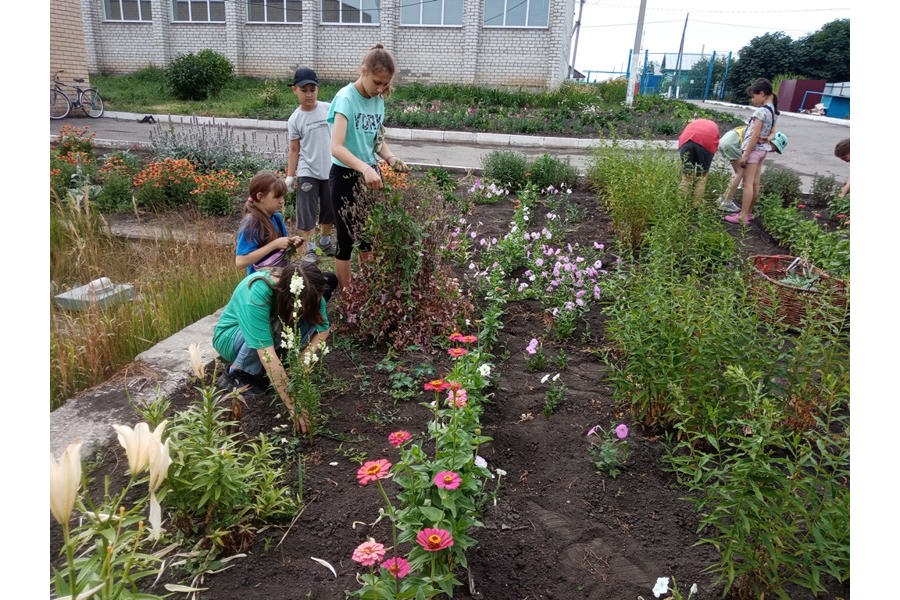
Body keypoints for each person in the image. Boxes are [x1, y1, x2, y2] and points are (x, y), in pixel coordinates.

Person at [327, 43, 410, 293]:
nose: (381, 89)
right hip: (344, 176)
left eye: (385, 84)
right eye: (377, 82)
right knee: (345, 241)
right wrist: (364, 168)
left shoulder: (378, 100)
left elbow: (376, 140)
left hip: (369, 175)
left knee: (368, 237)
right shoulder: (345, 99)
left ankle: (366, 292)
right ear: (363, 71)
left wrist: (390, 158)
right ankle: (348, 297)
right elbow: (336, 147)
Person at [213, 261, 332, 433]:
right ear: (287, 291)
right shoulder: (258, 291)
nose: (308, 305)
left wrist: (303, 360)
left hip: (270, 336)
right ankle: (237, 373)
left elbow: (323, 330)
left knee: (307, 321)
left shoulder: (311, 288)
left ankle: (270, 373)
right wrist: (294, 406)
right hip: (232, 338)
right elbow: (265, 352)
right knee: (269, 333)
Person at [285, 67, 336, 265]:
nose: (308, 94)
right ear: (294, 90)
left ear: (317, 89)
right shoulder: (295, 119)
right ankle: (311, 248)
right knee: (307, 211)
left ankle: (324, 241)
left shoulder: (328, 109)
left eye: (312, 89)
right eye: (304, 90)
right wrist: (290, 176)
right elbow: (294, 149)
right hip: (308, 171)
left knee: (329, 209)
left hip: (330, 169)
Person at [725, 78, 779, 225]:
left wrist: (746, 154)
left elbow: (754, 135)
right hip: (762, 151)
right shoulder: (773, 111)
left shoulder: (761, 112)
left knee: (747, 184)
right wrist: (768, 138)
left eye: (754, 96)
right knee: (755, 183)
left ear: (762, 93)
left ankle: (742, 216)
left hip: (753, 151)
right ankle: (748, 213)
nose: (752, 99)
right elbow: (774, 132)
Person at [235, 171, 304, 274]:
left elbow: (279, 250)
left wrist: (291, 244)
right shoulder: (251, 223)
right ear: (260, 196)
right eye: (277, 197)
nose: (282, 201)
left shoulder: (276, 218)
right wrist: (274, 245)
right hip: (261, 282)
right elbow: (240, 262)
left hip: (278, 275)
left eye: (283, 197)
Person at [716, 128, 788, 212]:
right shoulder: (762, 139)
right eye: (775, 148)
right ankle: (726, 202)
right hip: (733, 142)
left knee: (739, 172)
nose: (773, 151)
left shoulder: (763, 135)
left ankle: (724, 199)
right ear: (772, 141)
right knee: (740, 172)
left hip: (728, 139)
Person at [677, 118, 720, 202]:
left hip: (686, 141)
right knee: (701, 177)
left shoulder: (693, 123)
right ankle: (695, 207)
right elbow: (715, 144)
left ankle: (680, 206)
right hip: (706, 142)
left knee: (686, 176)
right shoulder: (713, 126)